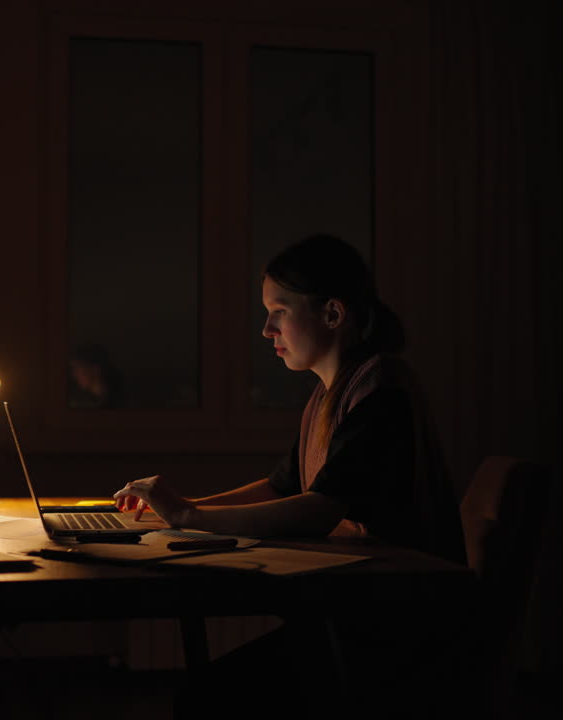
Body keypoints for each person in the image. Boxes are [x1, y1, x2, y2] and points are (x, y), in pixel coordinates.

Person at [112, 234, 470, 718]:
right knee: (205, 693)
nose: (266, 329)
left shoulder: (379, 389)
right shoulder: (329, 393)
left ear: (332, 314)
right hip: (357, 614)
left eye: (279, 311)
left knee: (204, 699)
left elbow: (320, 507)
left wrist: (187, 515)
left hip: (391, 630)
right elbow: (281, 485)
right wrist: (178, 513)